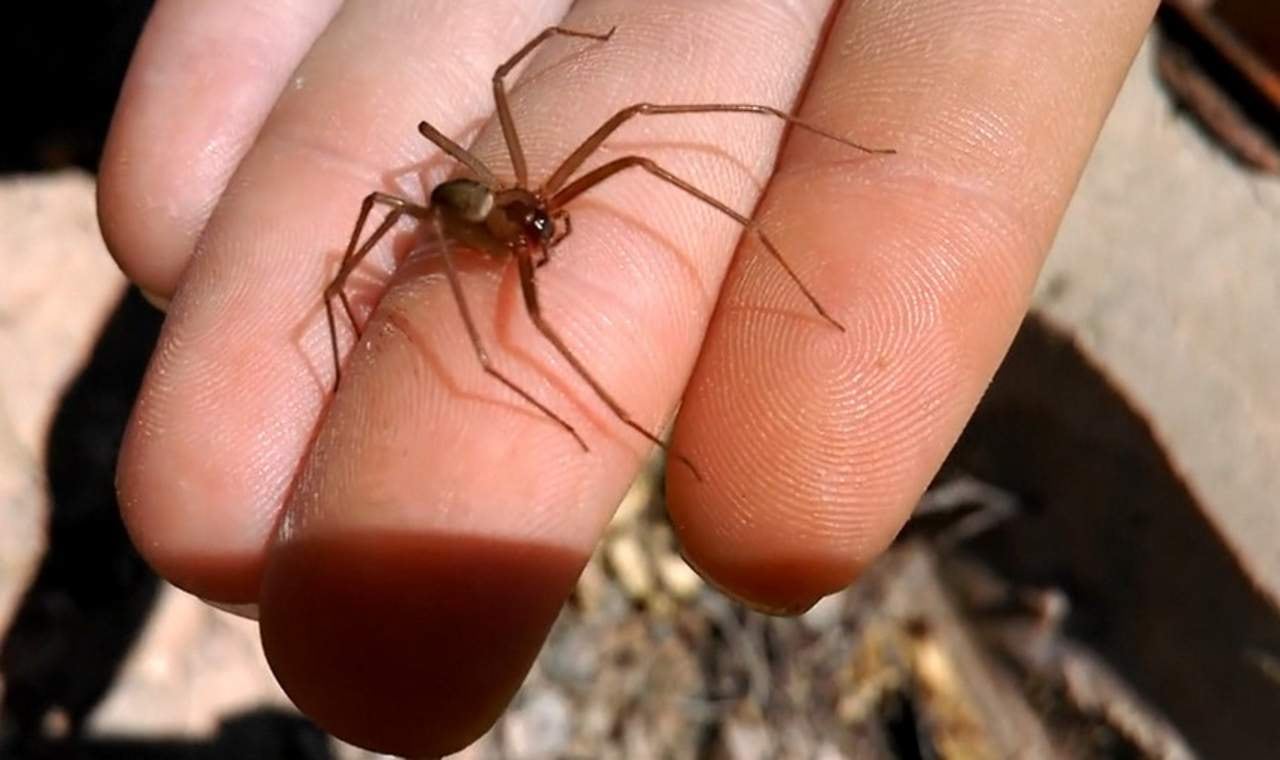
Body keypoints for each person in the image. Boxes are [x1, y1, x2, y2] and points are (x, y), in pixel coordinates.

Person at [97, 1, 1160, 756]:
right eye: (539, 224)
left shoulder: (539, 186)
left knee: (639, 141)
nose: (547, 231)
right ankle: (617, 422)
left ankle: (796, 142)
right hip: (459, 218)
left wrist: (596, 38)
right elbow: (438, 261)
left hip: (497, 188)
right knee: (477, 306)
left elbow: (560, 103)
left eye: (542, 220)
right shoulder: (467, 229)